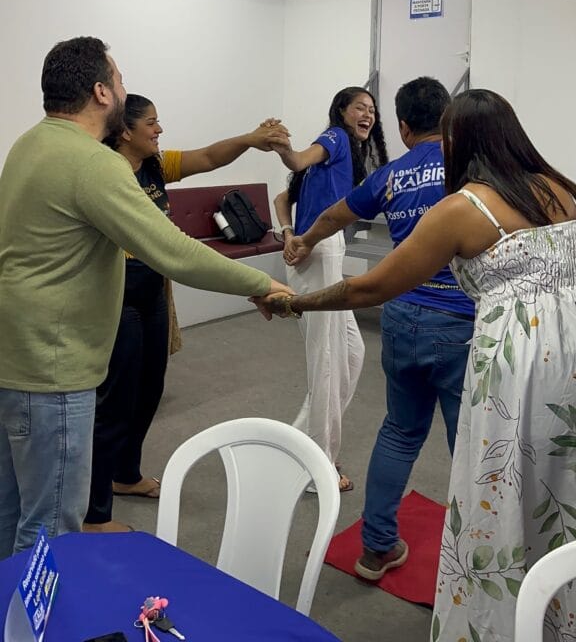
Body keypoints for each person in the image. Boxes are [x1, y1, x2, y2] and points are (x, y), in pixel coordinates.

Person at [255, 89, 576, 642]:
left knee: (422, 438)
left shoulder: (442, 194)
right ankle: (540, 569)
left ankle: (380, 548)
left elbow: (360, 266)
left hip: (438, 329)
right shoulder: (562, 189)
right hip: (547, 349)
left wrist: (297, 284)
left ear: (410, 127)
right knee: (527, 457)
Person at [0, 37, 290, 558]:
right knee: (50, 531)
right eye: (119, 80)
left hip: (14, 356)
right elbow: (173, 250)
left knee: (11, 513)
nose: (123, 88)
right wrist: (261, 283)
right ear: (101, 92)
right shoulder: (93, 163)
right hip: (52, 368)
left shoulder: (29, 144)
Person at [284, 77, 473, 580]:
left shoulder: (392, 174)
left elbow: (334, 215)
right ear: (449, 120)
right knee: (469, 443)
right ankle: (475, 564)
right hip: (459, 323)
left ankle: (376, 547)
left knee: (399, 432)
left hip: (402, 316)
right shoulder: (469, 168)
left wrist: (302, 240)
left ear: (404, 127)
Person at [84, 94, 290, 532]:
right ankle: (94, 514)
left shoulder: (156, 165)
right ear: (125, 131)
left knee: (150, 388)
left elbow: (209, 157)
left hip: (152, 290)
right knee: (116, 402)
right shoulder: (106, 171)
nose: (159, 130)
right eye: (151, 123)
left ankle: (125, 474)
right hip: (118, 292)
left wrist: (251, 139)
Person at [272, 86, 388, 491]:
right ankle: (317, 467)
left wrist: (288, 232)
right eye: (360, 107)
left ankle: (296, 443)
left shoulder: (343, 158)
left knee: (352, 354)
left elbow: (282, 198)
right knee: (326, 365)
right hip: (318, 251)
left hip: (320, 249)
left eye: (372, 110)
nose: (368, 115)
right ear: (341, 111)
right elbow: (297, 160)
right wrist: (283, 149)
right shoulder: (336, 138)